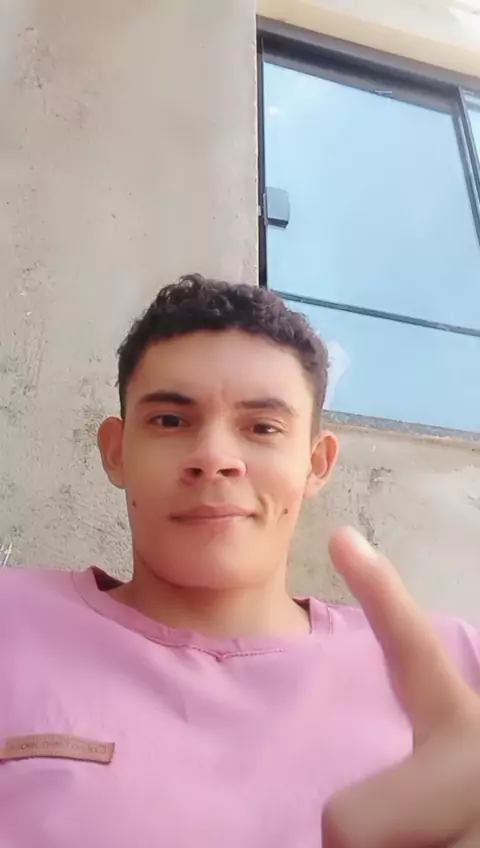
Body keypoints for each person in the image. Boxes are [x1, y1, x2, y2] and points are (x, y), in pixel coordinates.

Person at [0, 274, 479, 848]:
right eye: (171, 420)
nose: (214, 457)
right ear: (116, 451)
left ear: (317, 464)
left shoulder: (459, 672)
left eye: (262, 427)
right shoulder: (11, 622)